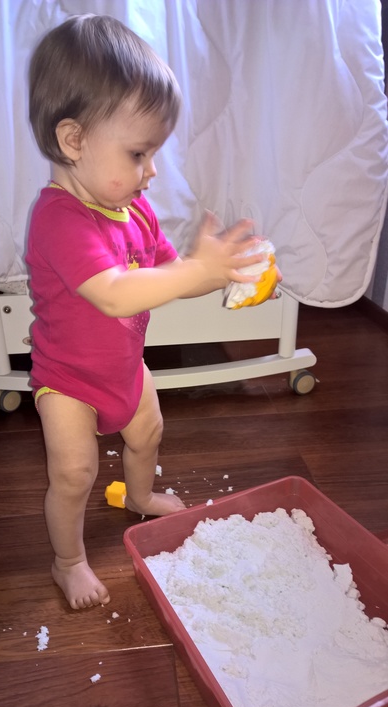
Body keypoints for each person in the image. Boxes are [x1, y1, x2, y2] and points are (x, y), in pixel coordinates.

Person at [26, 14, 273, 610]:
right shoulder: (59, 219)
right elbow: (114, 293)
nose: (153, 170)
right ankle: (68, 561)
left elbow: (168, 275)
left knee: (149, 433)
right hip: (68, 381)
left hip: (124, 367)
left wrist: (222, 275)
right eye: (139, 152)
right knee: (74, 474)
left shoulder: (134, 212)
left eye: (154, 152)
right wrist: (198, 270)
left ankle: (138, 496)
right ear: (73, 141)